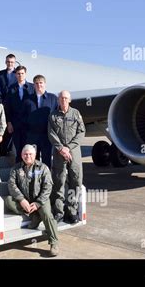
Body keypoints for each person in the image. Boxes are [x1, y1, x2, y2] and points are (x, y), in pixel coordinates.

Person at [4, 144, 59, 257]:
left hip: (40, 200)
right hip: (25, 200)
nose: (27, 156)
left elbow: (48, 187)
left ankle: (54, 243)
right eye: (25, 154)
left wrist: (38, 203)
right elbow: (11, 185)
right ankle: (34, 216)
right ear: (21, 155)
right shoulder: (16, 169)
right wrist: (21, 200)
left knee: (48, 215)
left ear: (35, 155)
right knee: (9, 200)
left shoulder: (43, 168)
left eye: (30, 154)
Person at [48, 90, 85, 224]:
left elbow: (81, 132)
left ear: (69, 100)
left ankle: (72, 212)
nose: (63, 100)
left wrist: (69, 147)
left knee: (75, 181)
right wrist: (61, 148)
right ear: (58, 100)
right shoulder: (53, 115)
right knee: (59, 181)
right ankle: (59, 212)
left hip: (74, 152)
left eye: (65, 98)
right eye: (61, 98)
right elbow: (51, 133)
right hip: (59, 152)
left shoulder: (75, 114)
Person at [24, 75, 58, 167]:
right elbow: (24, 116)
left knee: (47, 159)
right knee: (33, 160)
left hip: (46, 135)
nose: (39, 85)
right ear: (34, 85)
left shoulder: (53, 98)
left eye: (41, 83)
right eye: (36, 83)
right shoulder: (28, 100)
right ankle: (34, 180)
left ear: (45, 84)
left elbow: (57, 115)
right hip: (32, 135)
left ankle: (46, 180)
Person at [5, 66, 34, 163]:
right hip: (16, 123)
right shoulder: (11, 89)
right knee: (18, 149)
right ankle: (19, 172)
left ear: (25, 74)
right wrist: (9, 122)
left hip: (29, 124)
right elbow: (7, 107)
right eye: (18, 73)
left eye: (22, 73)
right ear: (15, 75)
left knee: (29, 149)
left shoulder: (32, 87)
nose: (20, 75)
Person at [0, 54, 17, 155]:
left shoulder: (18, 74)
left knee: (13, 126)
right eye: (8, 62)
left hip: (14, 105)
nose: (10, 64)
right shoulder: (0, 74)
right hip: (3, 104)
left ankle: (10, 149)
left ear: (14, 63)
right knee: (2, 125)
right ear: (5, 62)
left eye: (12, 62)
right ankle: (3, 151)